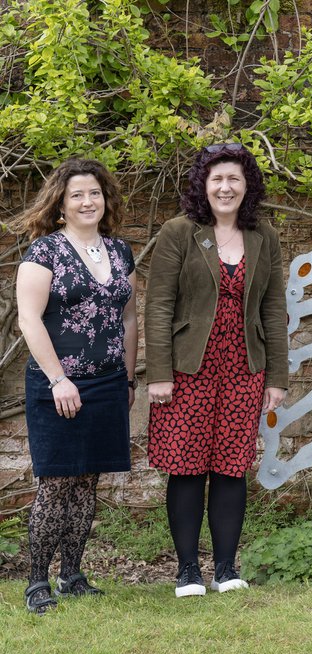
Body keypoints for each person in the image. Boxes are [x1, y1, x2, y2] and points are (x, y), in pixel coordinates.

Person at [145, 143, 288, 597]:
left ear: (248, 187)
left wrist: (277, 377)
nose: (225, 188)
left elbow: (273, 308)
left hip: (244, 368)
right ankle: (188, 570)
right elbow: (159, 304)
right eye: (217, 180)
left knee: (231, 468)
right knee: (185, 467)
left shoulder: (263, 236)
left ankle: (226, 569)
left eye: (234, 180)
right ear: (203, 186)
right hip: (188, 369)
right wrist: (159, 372)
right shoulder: (179, 232)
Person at [13, 158, 137, 614]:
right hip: (57, 386)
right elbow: (29, 319)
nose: (88, 201)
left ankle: (73, 576)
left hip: (107, 383)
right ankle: (36, 582)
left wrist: (127, 377)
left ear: (106, 200)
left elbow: (127, 317)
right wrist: (59, 378)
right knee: (56, 483)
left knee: (88, 483)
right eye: (77, 195)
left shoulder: (121, 252)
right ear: (61, 204)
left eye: (95, 193)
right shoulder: (43, 253)